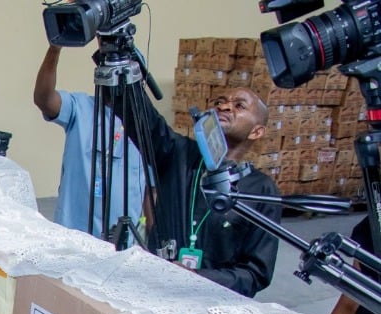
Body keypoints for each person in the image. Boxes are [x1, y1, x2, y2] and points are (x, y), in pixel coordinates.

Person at [121, 86, 280, 297]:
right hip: (153, 288)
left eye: (239, 106)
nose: (224, 107)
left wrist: (198, 277)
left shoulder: (262, 190)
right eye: (219, 102)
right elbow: (141, 118)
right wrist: (126, 78)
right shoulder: (178, 154)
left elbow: (256, 273)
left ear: (256, 131)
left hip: (212, 302)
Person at [33, 45, 146, 239]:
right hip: (72, 240)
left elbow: (151, 193)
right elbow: (44, 99)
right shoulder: (81, 108)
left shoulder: (144, 125)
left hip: (122, 244)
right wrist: (54, 49)